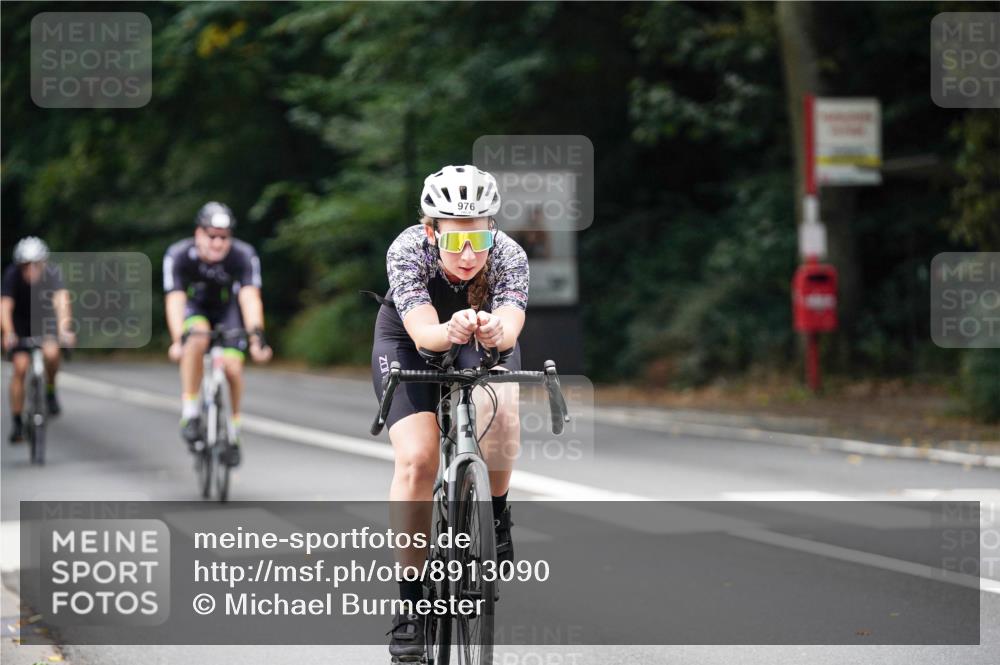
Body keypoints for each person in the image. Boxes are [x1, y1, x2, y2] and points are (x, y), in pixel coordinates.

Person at [372, 165, 529, 661]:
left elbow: (511, 324)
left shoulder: (508, 254)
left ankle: (497, 516)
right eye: (455, 239)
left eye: (478, 237)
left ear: (492, 230)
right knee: (418, 461)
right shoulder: (406, 250)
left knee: (502, 411)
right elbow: (424, 335)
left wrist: (491, 329)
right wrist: (453, 325)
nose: (468, 254)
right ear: (431, 230)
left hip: (479, 338)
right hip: (410, 340)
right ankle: (411, 607)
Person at [162, 202, 272, 466]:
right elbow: (175, 299)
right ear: (198, 233)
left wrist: (257, 338)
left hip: (228, 311)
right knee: (196, 337)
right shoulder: (178, 254)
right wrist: (178, 340)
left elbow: (249, 298)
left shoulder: (243, 254)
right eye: (211, 236)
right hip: (195, 307)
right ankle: (190, 413)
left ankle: (233, 432)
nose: (218, 243)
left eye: (224, 237)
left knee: (234, 368)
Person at [1, 237, 75, 442]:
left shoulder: (52, 274)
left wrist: (64, 329)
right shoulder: (12, 276)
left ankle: (50, 390)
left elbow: (62, 301)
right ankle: (17, 422)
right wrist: (8, 333)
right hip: (20, 324)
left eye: (36, 265)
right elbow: (5, 306)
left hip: (44, 321)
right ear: (20, 265)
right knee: (20, 367)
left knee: (52, 354)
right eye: (26, 266)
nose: (31, 270)